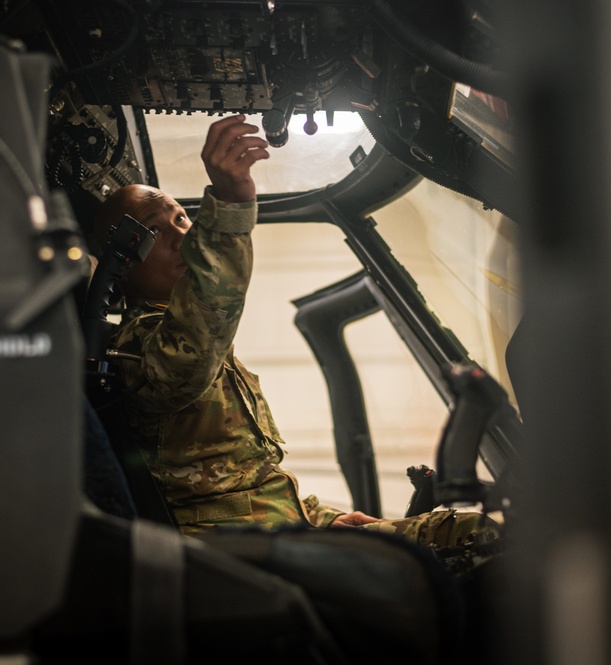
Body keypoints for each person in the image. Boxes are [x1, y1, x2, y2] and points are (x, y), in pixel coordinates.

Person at [96, 114, 497, 548]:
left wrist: (325, 519)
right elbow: (197, 338)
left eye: (179, 219)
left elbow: (253, 487)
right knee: (475, 542)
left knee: (470, 532)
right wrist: (230, 204)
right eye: (153, 232)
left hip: (286, 538)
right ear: (121, 266)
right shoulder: (136, 350)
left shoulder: (194, 336)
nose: (179, 237)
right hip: (239, 565)